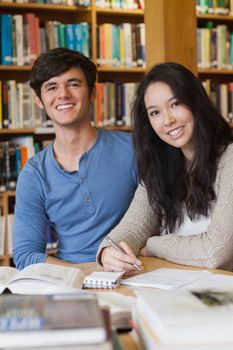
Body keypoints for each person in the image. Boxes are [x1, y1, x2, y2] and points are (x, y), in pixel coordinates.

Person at [97, 62, 233, 272]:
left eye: (175, 104)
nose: (167, 120)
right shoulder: (159, 166)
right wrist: (108, 251)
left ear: (196, 102)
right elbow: (132, 228)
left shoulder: (230, 158)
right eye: (155, 113)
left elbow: (215, 252)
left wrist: (153, 245)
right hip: (179, 287)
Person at [13, 48, 138, 270]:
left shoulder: (134, 150)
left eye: (73, 84)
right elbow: (25, 255)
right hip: (71, 282)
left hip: (134, 273)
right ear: (40, 101)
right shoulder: (34, 174)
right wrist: (87, 274)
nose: (63, 94)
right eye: (52, 87)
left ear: (92, 93)